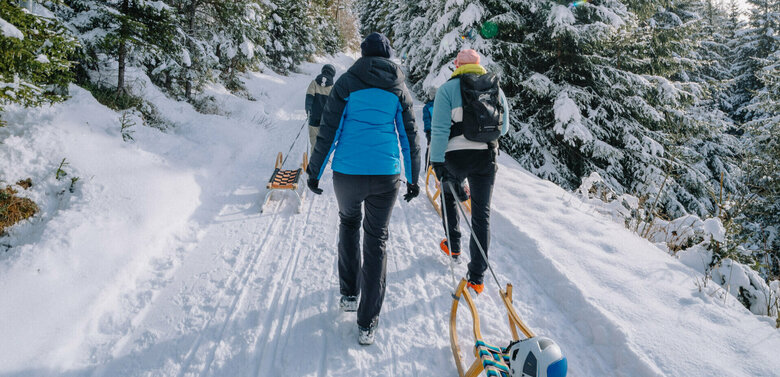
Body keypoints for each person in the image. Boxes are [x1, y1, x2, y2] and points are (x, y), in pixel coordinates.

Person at [305, 32, 421, 345]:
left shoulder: (346, 83)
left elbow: (329, 131)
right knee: (376, 240)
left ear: (363, 54)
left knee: (348, 225)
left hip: (347, 173)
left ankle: (348, 294)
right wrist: (413, 178)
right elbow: (409, 137)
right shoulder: (398, 88)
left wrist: (314, 172)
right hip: (385, 176)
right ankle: (367, 323)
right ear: (388, 56)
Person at [429, 49, 510, 295]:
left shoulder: (447, 90)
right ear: (479, 66)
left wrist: (436, 162)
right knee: (481, 214)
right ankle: (477, 277)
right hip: (486, 156)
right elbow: (503, 128)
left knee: (448, 195)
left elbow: (440, 130)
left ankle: (453, 245)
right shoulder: (495, 89)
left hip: (455, 156)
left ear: (457, 66)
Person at [305, 64, 336, 153]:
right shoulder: (332, 87)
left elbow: (309, 97)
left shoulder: (314, 83)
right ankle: (321, 161)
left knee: (314, 141)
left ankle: (313, 161)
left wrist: (308, 110)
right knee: (324, 141)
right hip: (326, 120)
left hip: (314, 117)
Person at [422, 88, 435, 167]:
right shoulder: (442, 105)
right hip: (437, 130)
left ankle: (429, 166)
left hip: (431, 130)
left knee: (430, 147)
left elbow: (426, 119)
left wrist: (428, 130)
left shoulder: (427, 107)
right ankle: (429, 165)